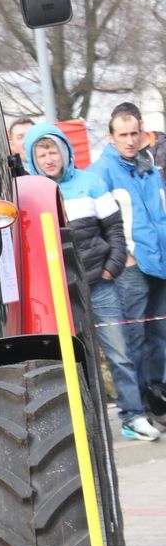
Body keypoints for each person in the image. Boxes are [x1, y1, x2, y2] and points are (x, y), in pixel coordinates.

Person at [25, 124, 160, 441]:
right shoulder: (28, 193)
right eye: (41, 153)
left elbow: (115, 230)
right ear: (33, 158)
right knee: (71, 359)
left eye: (53, 151)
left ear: (65, 152)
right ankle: (85, 425)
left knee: (120, 353)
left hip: (100, 285)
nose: (48, 158)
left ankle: (133, 416)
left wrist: (111, 268)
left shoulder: (92, 183)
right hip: (58, 292)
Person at [89, 104, 166, 425]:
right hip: (131, 267)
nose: (130, 140)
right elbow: (97, 226)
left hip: (160, 261)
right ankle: (139, 404)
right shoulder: (101, 172)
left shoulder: (151, 166)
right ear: (112, 137)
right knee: (134, 339)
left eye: (135, 133)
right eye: (123, 135)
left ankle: (158, 397)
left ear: (142, 130)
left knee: (160, 332)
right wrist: (121, 258)